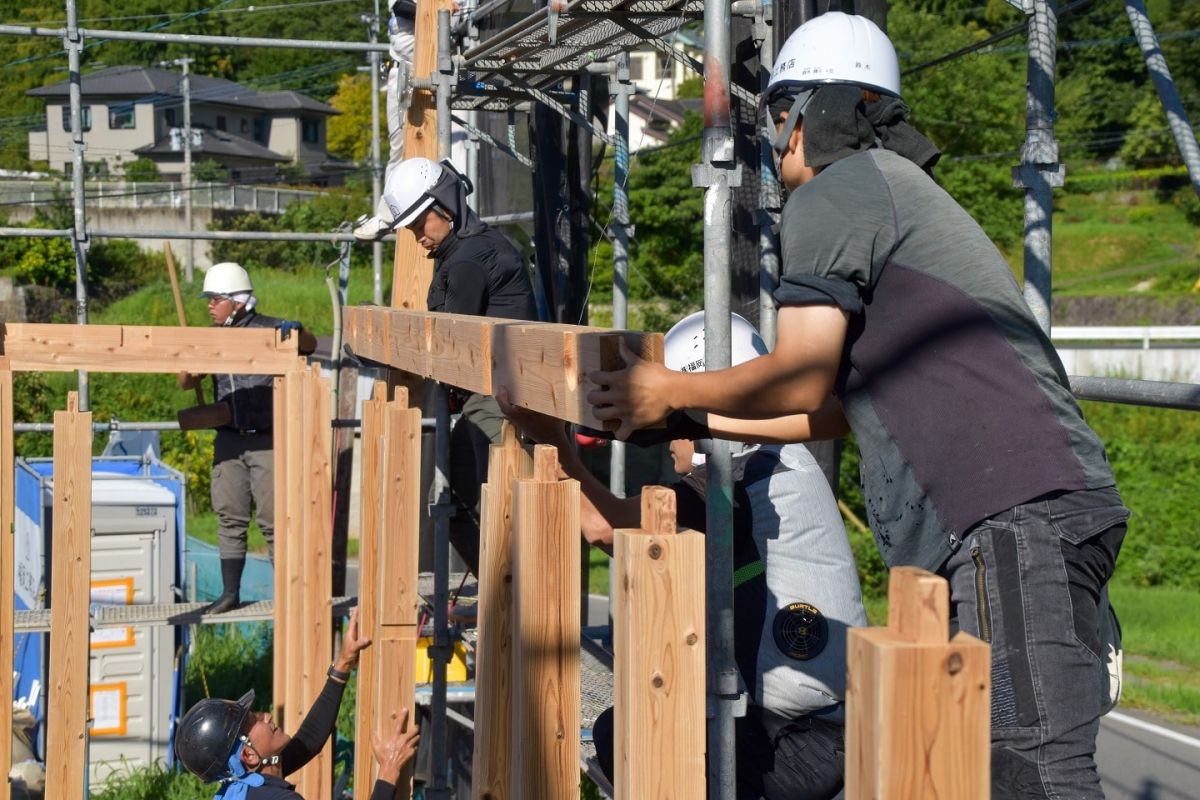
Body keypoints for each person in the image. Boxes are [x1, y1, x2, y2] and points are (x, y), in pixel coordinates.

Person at [587, 13, 1128, 800]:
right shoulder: (894, 195)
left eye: (778, 118)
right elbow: (833, 410)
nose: (776, 147)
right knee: (979, 764)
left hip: (1011, 515)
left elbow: (800, 375)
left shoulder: (838, 192)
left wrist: (668, 388)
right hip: (1025, 511)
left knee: (1027, 770)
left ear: (811, 111)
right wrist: (693, 416)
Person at [501, 312, 867, 800]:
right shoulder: (767, 469)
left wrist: (551, 437)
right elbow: (607, 524)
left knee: (637, 739)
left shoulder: (740, 482)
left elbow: (604, 529)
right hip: (815, 729)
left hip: (809, 743)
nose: (668, 438)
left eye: (673, 419)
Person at [374, 156, 539, 575]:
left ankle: (513, 603)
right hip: (483, 398)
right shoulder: (465, 251)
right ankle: (500, 596)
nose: (416, 238)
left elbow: (448, 342)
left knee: (504, 514)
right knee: (454, 508)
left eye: (417, 226)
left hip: (499, 400)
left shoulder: (468, 260)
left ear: (442, 207)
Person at [178, 261, 318, 614]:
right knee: (230, 516)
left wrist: (296, 334)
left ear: (237, 302)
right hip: (229, 440)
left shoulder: (271, 330)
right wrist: (192, 372)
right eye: (208, 299)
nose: (209, 305)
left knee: (275, 521)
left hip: (268, 440)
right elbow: (184, 380)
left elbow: (310, 344)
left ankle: (288, 595)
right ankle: (230, 594)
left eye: (215, 299)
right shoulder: (210, 338)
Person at [175, 608, 419, 799]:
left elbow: (309, 740)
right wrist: (389, 769)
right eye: (254, 720)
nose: (267, 716)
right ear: (248, 754)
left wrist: (343, 665)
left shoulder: (246, 787)